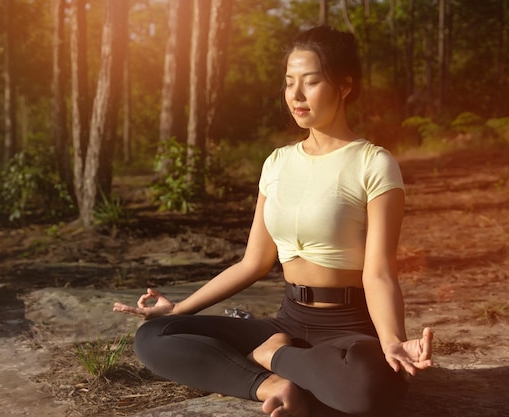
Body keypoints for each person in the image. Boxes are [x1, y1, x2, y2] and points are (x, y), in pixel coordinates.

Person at [113, 25, 433, 417]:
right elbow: (253, 262)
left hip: (348, 327)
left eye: (310, 82)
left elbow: (379, 273)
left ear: (344, 86)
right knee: (154, 337)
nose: (295, 96)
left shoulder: (373, 164)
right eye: (289, 83)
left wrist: (392, 342)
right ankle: (275, 383)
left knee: (371, 391)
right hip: (288, 318)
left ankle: (273, 355)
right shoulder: (277, 162)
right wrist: (179, 310)